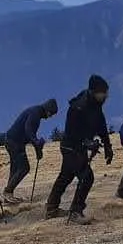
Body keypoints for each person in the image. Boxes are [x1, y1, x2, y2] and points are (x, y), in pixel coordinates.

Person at [44, 74, 114, 224]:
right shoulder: (78, 107)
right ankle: (75, 211)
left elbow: (101, 125)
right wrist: (86, 142)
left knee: (65, 177)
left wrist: (108, 146)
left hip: (77, 147)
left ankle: (51, 208)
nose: (107, 96)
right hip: (71, 147)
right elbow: (72, 132)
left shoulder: (95, 105)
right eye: (104, 92)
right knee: (87, 177)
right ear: (94, 91)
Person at [1, 98, 59, 204]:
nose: (50, 116)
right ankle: (8, 192)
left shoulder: (35, 112)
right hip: (15, 142)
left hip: (12, 140)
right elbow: (28, 130)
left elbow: (31, 134)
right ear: (48, 109)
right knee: (24, 168)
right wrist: (36, 142)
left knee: (15, 169)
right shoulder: (35, 113)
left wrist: (38, 150)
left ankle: (8, 197)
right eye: (51, 113)